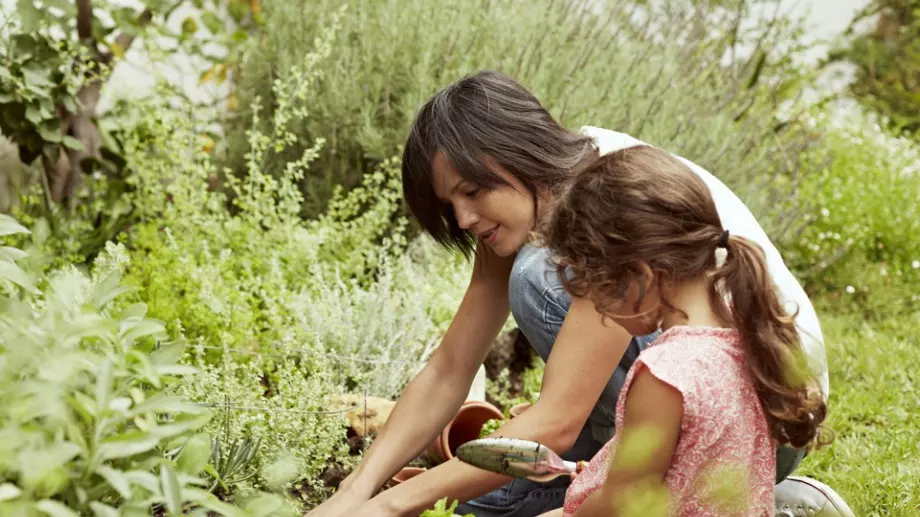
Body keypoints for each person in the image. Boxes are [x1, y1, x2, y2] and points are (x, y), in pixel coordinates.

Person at [304, 70, 831, 517]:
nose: (463, 218)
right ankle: (622, 471)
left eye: (471, 191)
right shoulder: (525, 198)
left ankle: (770, 500)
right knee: (486, 506)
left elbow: (555, 423)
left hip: (758, 425)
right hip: (721, 411)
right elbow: (450, 367)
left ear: (517, 153)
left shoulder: (607, 202)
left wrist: (390, 507)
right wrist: (357, 491)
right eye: (451, 204)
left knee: (534, 276)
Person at [531, 145, 828, 517]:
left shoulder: (665, 374)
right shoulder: (746, 336)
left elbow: (623, 504)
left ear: (640, 276)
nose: (602, 313)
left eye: (597, 288)